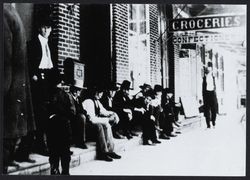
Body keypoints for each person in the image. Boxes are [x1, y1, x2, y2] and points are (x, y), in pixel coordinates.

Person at [3, 3, 36, 173]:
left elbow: (5, 61)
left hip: (8, 96)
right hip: (17, 93)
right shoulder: (14, 14)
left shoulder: (5, 14)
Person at [27, 15, 59, 155]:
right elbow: (28, 62)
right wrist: (33, 74)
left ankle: (55, 145)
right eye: (44, 27)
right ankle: (41, 145)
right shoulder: (33, 43)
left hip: (49, 80)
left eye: (49, 28)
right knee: (40, 114)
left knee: (52, 113)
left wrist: (56, 80)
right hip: (38, 80)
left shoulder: (51, 44)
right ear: (40, 28)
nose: (46, 30)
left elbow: (53, 64)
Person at [82, 86, 122, 162]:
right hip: (87, 126)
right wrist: (107, 119)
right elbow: (92, 119)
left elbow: (104, 111)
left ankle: (110, 150)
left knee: (107, 125)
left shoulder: (97, 101)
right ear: (95, 93)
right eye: (99, 93)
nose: (101, 94)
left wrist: (114, 113)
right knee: (100, 125)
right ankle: (103, 153)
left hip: (93, 123)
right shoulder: (89, 101)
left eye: (101, 93)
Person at [47, 80, 72, 175]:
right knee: (65, 152)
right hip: (63, 125)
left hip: (53, 126)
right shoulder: (65, 95)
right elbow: (71, 111)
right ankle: (65, 173)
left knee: (54, 152)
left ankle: (55, 171)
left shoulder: (48, 93)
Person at [202, 62, 218, 129]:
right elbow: (202, 88)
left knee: (214, 109)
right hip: (206, 95)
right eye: (208, 70)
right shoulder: (204, 79)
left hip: (212, 94)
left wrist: (216, 95)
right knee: (207, 110)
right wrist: (202, 96)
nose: (209, 71)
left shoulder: (214, 78)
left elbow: (216, 87)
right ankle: (208, 125)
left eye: (210, 70)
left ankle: (213, 122)